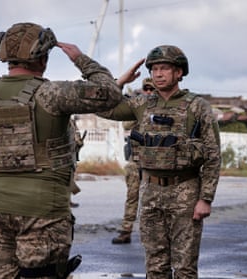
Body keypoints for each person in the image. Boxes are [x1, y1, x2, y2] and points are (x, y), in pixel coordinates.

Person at [0, 22, 122, 279]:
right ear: (43, 58)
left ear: (5, 58)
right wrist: (80, 59)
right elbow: (111, 93)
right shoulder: (53, 94)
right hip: (44, 211)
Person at [99, 45, 221, 278]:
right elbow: (103, 109)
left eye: (165, 68)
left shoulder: (198, 106)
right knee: (155, 266)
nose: (158, 74)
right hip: (151, 191)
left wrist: (205, 198)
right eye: (154, 69)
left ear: (179, 73)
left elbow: (213, 156)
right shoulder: (141, 104)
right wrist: (120, 82)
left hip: (185, 191)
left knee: (184, 267)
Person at [112, 78, 155, 244]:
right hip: (135, 160)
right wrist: (139, 110)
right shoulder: (138, 107)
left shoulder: (163, 108)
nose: (149, 93)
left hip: (155, 162)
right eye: (147, 89)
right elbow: (126, 125)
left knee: (152, 199)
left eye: (152, 90)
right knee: (132, 197)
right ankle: (126, 230)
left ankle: (150, 233)